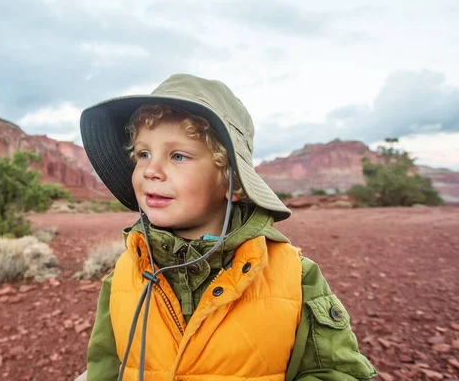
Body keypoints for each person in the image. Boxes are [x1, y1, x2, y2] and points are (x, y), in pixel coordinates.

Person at [77, 74, 376, 381]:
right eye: (143, 154)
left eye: (178, 155)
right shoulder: (124, 275)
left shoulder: (296, 277)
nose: (150, 171)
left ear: (232, 182)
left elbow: (334, 372)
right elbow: (105, 369)